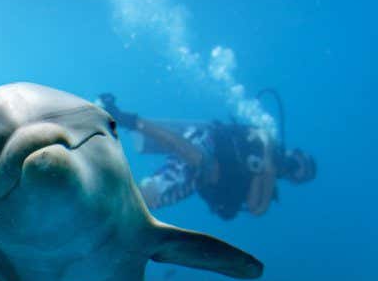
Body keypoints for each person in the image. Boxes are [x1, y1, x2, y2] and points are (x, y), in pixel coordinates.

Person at [98, 93, 316, 219]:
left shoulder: (269, 180)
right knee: (199, 159)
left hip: (201, 177)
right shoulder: (265, 138)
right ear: (293, 152)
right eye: (297, 163)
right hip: (206, 144)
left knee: (151, 198)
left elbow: (256, 208)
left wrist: (266, 170)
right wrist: (264, 144)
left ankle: (103, 201)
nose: (292, 168)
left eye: (298, 174)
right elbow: (232, 137)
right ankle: (125, 118)